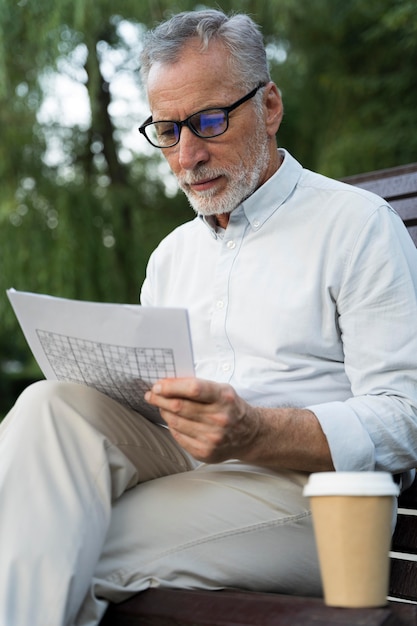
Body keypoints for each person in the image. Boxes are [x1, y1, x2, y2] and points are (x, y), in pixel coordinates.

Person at [1, 8, 417, 626]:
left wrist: (256, 430)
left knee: (43, 545)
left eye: (209, 121)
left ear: (269, 106)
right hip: (182, 475)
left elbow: (406, 417)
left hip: (311, 501)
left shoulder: (356, 226)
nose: (188, 154)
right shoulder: (171, 256)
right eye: (167, 130)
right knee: (48, 403)